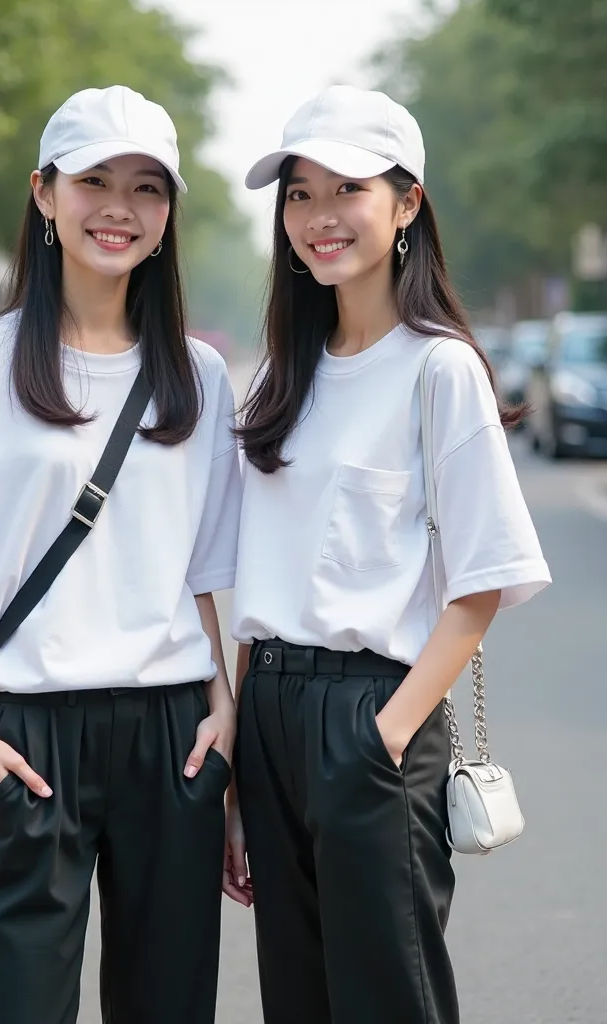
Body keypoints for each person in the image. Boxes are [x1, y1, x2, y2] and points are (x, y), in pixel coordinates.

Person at [0, 85, 240, 1024]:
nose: (120, 207)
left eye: (148, 188)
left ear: (168, 213)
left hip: (172, 738)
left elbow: (198, 573)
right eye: (95, 180)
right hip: (24, 737)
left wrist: (222, 712)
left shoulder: (197, 377)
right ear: (44, 193)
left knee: (170, 1003)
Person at [224, 85, 551, 1024]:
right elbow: (261, 583)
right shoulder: (283, 378)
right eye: (298, 194)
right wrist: (249, 771)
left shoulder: (437, 367)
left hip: (370, 713)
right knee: (299, 998)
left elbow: (483, 578)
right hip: (273, 712)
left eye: (347, 190)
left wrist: (387, 735)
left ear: (407, 203)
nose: (320, 218)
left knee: (388, 998)